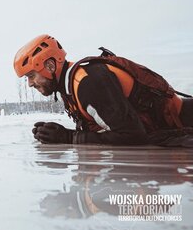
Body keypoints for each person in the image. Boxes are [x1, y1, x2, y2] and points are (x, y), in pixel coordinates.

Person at [13, 34, 193, 146]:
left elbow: (133, 136)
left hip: (183, 120)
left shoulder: (87, 82)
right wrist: (57, 133)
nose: (30, 84)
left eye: (31, 75)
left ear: (50, 66)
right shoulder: (70, 87)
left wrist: (68, 137)